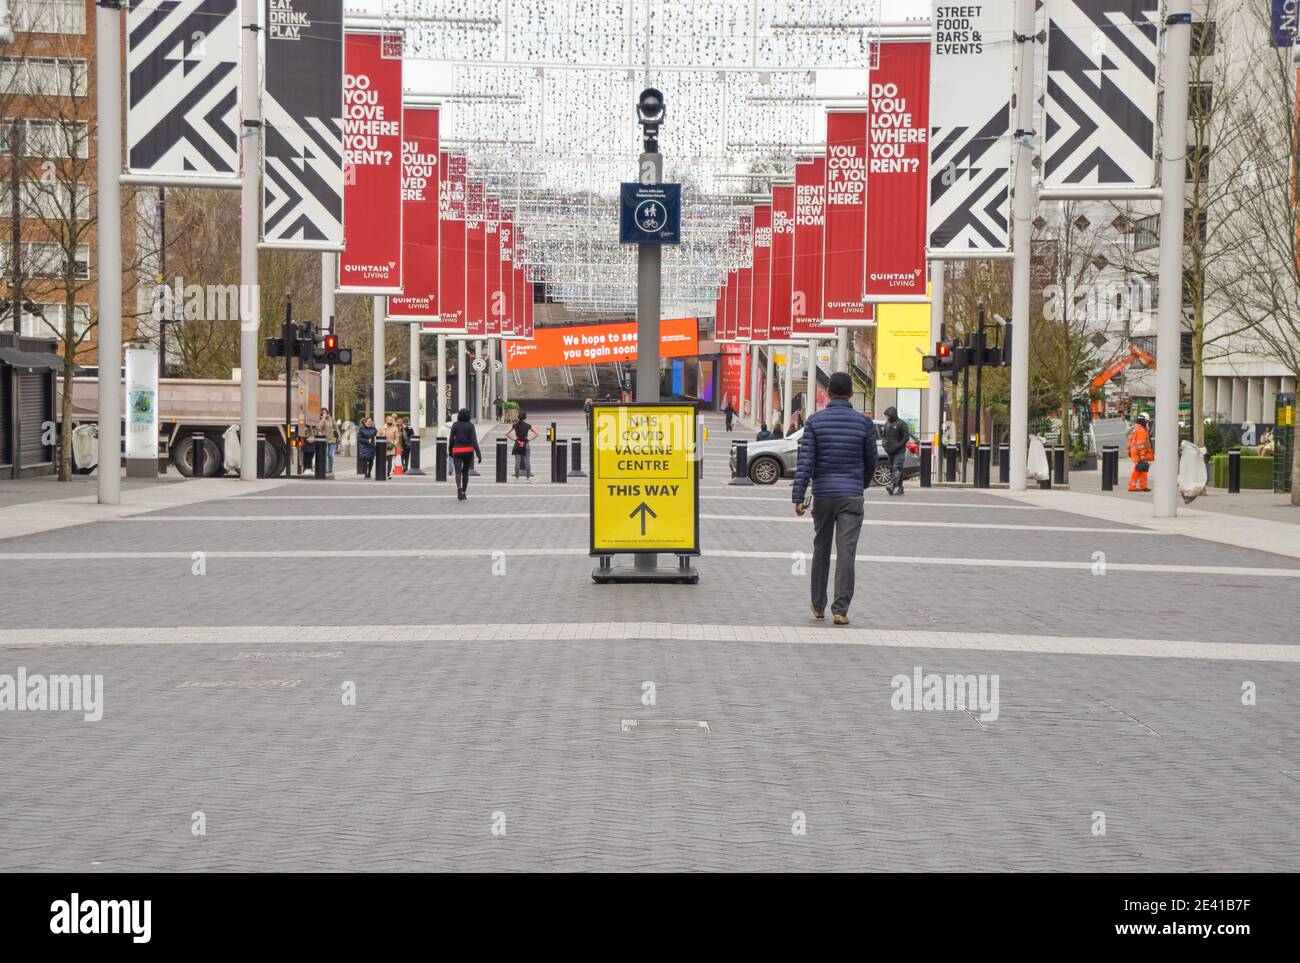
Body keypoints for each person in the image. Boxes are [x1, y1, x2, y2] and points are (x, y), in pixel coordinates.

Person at [791, 371, 878, 626]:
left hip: (824, 495)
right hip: (851, 495)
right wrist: (859, 485)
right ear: (851, 394)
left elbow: (806, 462)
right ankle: (840, 609)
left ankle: (818, 606)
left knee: (821, 548)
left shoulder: (815, 422)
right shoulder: (864, 424)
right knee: (846, 552)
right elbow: (871, 461)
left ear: (828, 393)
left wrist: (798, 496)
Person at [447, 408, 482, 500]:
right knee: (465, 472)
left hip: (457, 451)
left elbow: (451, 440)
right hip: (468, 451)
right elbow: (474, 441)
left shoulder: (455, 425)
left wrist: (450, 451)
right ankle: (464, 492)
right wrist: (479, 454)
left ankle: (459, 488)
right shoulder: (471, 426)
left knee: (458, 471)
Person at [881, 406, 911, 496]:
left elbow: (906, 437)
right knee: (894, 470)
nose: (887, 417)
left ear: (892, 414)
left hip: (899, 451)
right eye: (886, 416)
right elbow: (884, 436)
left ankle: (892, 485)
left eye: (888, 415)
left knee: (896, 468)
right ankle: (900, 487)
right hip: (889, 451)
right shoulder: (886, 424)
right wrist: (884, 444)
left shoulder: (901, 424)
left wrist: (898, 446)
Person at [506, 409, 539, 481]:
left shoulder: (515, 425)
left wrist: (514, 439)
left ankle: (517, 478)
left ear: (518, 417)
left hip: (518, 443)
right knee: (527, 461)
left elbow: (507, 433)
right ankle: (528, 478)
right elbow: (537, 433)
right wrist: (529, 439)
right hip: (525, 442)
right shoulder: (528, 425)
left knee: (517, 462)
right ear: (525, 417)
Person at [1128, 412, 1153, 492]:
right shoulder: (1141, 430)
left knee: (1143, 469)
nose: (1148, 423)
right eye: (1147, 421)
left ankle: (1143, 486)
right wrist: (1142, 455)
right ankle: (1132, 487)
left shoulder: (1137, 428)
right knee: (1138, 470)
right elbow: (1140, 444)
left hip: (1136, 452)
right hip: (1139, 453)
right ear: (1144, 421)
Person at [318, 408, 339, 476]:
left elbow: (336, 428)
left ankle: (330, 469)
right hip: (324, 439)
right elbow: (319, 427)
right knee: (325, 454)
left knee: (330, 454)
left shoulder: (331, 419)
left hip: (332, 439)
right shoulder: (321, 419)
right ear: (321, 413)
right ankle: (325, 469)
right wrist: (323, 419)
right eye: (323, 412)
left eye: (325, 412)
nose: (324, 413)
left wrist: (339, 437)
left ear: (327, 412)